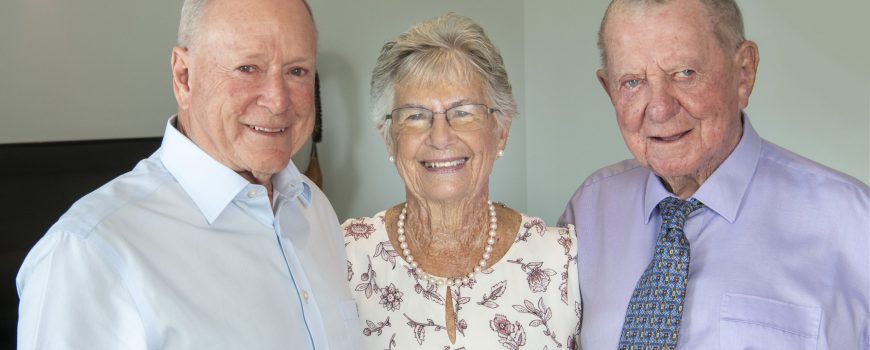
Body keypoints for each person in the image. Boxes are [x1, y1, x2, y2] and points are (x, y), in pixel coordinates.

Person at [16, 0, 360, 348]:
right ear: (183, 77)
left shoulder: (314, 209)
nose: (278, 101)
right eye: (247, 68)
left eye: (297, 71)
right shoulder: (87, 253)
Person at [559, 0, 869, 348]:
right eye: (632, 82)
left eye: (685, 73)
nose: (660, 108)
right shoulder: (586, 213)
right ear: (609, 90)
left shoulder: (854, 223)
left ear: (743, 72)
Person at [343, 13, 581, 349]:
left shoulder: (562, 260)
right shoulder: (345, 258)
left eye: (464, 112)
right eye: (415, 115)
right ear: (389, 139)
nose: (440, 137)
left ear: (501, 132)